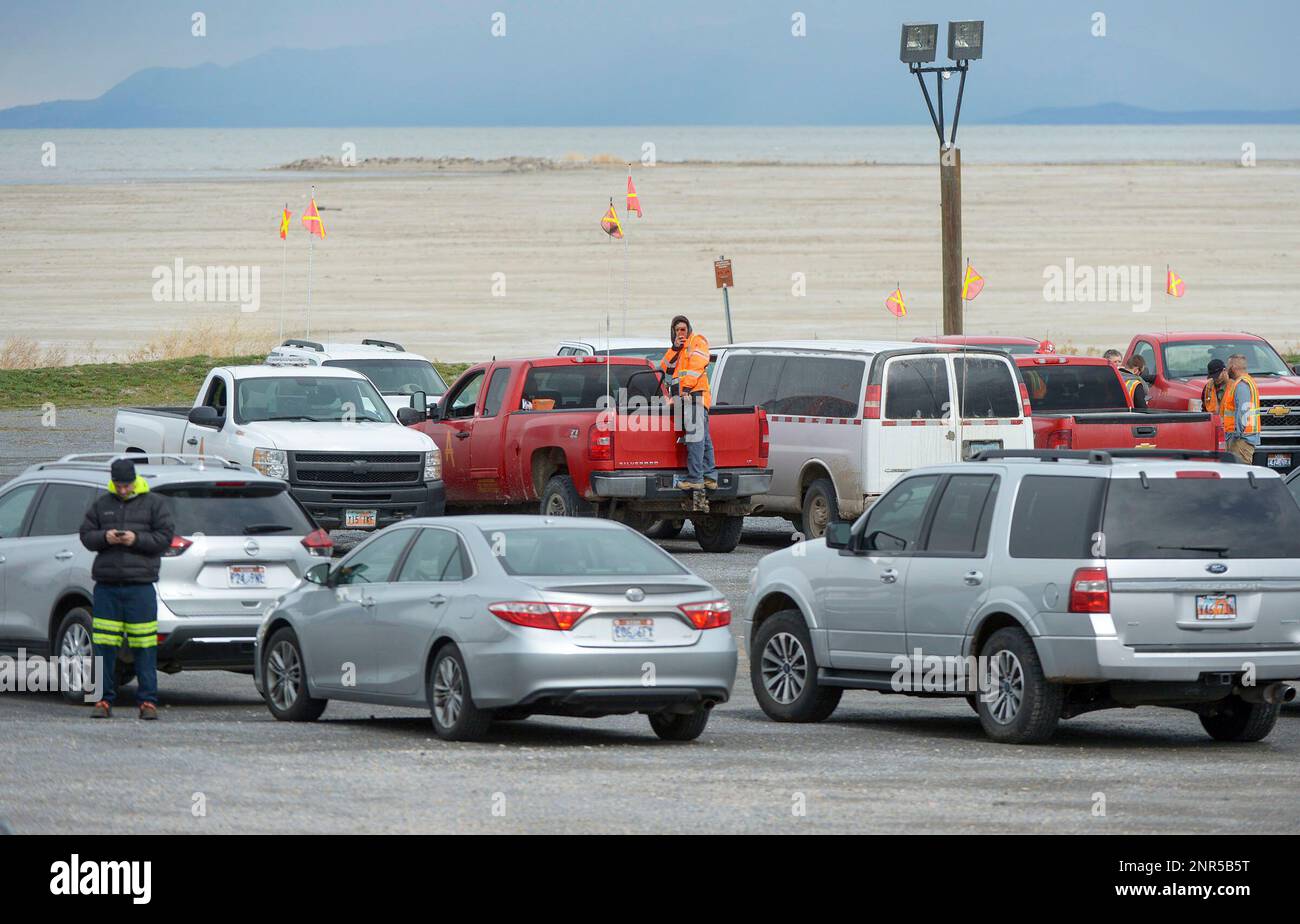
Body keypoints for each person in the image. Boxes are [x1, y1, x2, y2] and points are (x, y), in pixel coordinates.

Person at [78, 458, 175, 719]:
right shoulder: (102, 505)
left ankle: (148, 703)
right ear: (113, 482)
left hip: (140, 587)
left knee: (144, 646)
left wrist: (136, 539)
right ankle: (103, 700)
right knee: (103, 647)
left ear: (135, 481)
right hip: (107, 587)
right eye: (118, 485)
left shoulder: (154, 504)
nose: (122, 490)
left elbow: (165, 537)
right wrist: (104, 537)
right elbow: (86, 535)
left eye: (127, 485)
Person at [660, 315, 716, 490]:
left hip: (694, 397)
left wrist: (686, 389)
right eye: (676, 330)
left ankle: (695, 479)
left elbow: (696, 367)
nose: (680, 332)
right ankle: (709, 477)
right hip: (688, 400)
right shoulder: (680, 349)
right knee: (703, 439)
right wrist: (675, 347)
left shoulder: (697, 341)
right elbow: (664, 367)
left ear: (689, 328)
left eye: (683, 329)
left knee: (695, 439)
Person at [1221, 354, 1261, 465]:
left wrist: (1236, 435)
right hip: (1243, 438)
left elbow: (1243, 412)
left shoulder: (1242, 385)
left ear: (1233, 367)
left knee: (1241, 474)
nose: (1226, 370)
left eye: (1228, 366)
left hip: (1241, 440)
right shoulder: (1245, 382)